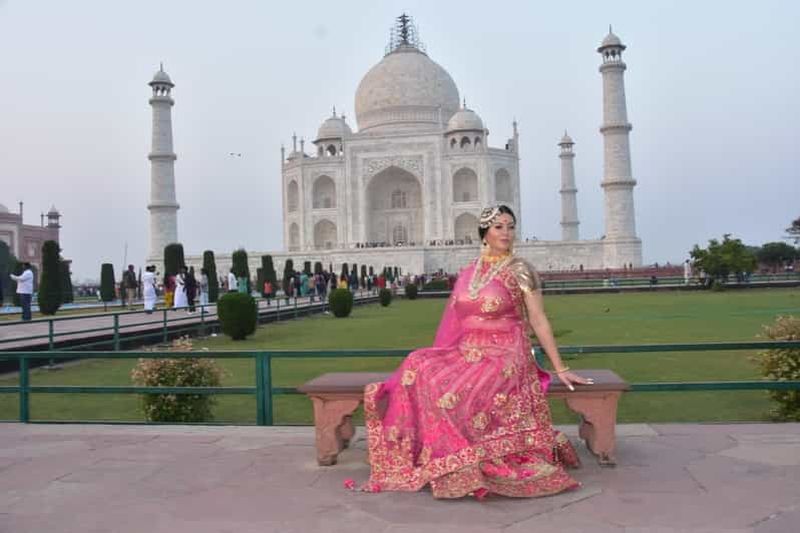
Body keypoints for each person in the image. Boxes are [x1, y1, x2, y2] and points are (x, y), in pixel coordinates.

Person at [363, 205, 592, 500]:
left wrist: (560, 368)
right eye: (499, 227)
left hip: (505, 354)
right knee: (418, 361)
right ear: (484, 232)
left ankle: (459, 453)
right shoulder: (471, 271)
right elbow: (456, 322)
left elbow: (538, 319)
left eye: (510, 226)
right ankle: (427, 451)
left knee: (456, 392)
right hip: (468, 349)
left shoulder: (521, 270)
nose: (506, 233)